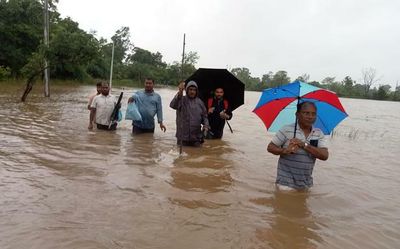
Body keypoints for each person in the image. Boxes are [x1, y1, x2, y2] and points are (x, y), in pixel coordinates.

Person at [267, 101, 329, 190]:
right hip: (285, 184)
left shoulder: (319, 133)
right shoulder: (286, 129)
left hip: (306, 184)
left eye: (313, 114)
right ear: (297, 114)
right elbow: (270, 147)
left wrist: (304, 145)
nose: (310, 117)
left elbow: (324, 155)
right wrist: (284, 151)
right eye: (306, 113)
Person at [170, 81, 209, 147]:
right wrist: (179, 92)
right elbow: (173, 105)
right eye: (190, 89)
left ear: (197, 91)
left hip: (196, 137)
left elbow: (205, 117)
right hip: (182, 137)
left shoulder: (200, 102)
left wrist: (206, 126)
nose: (192, 92)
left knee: (196, 156)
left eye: (194, 90)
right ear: (187, 90)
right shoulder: (181, 99)